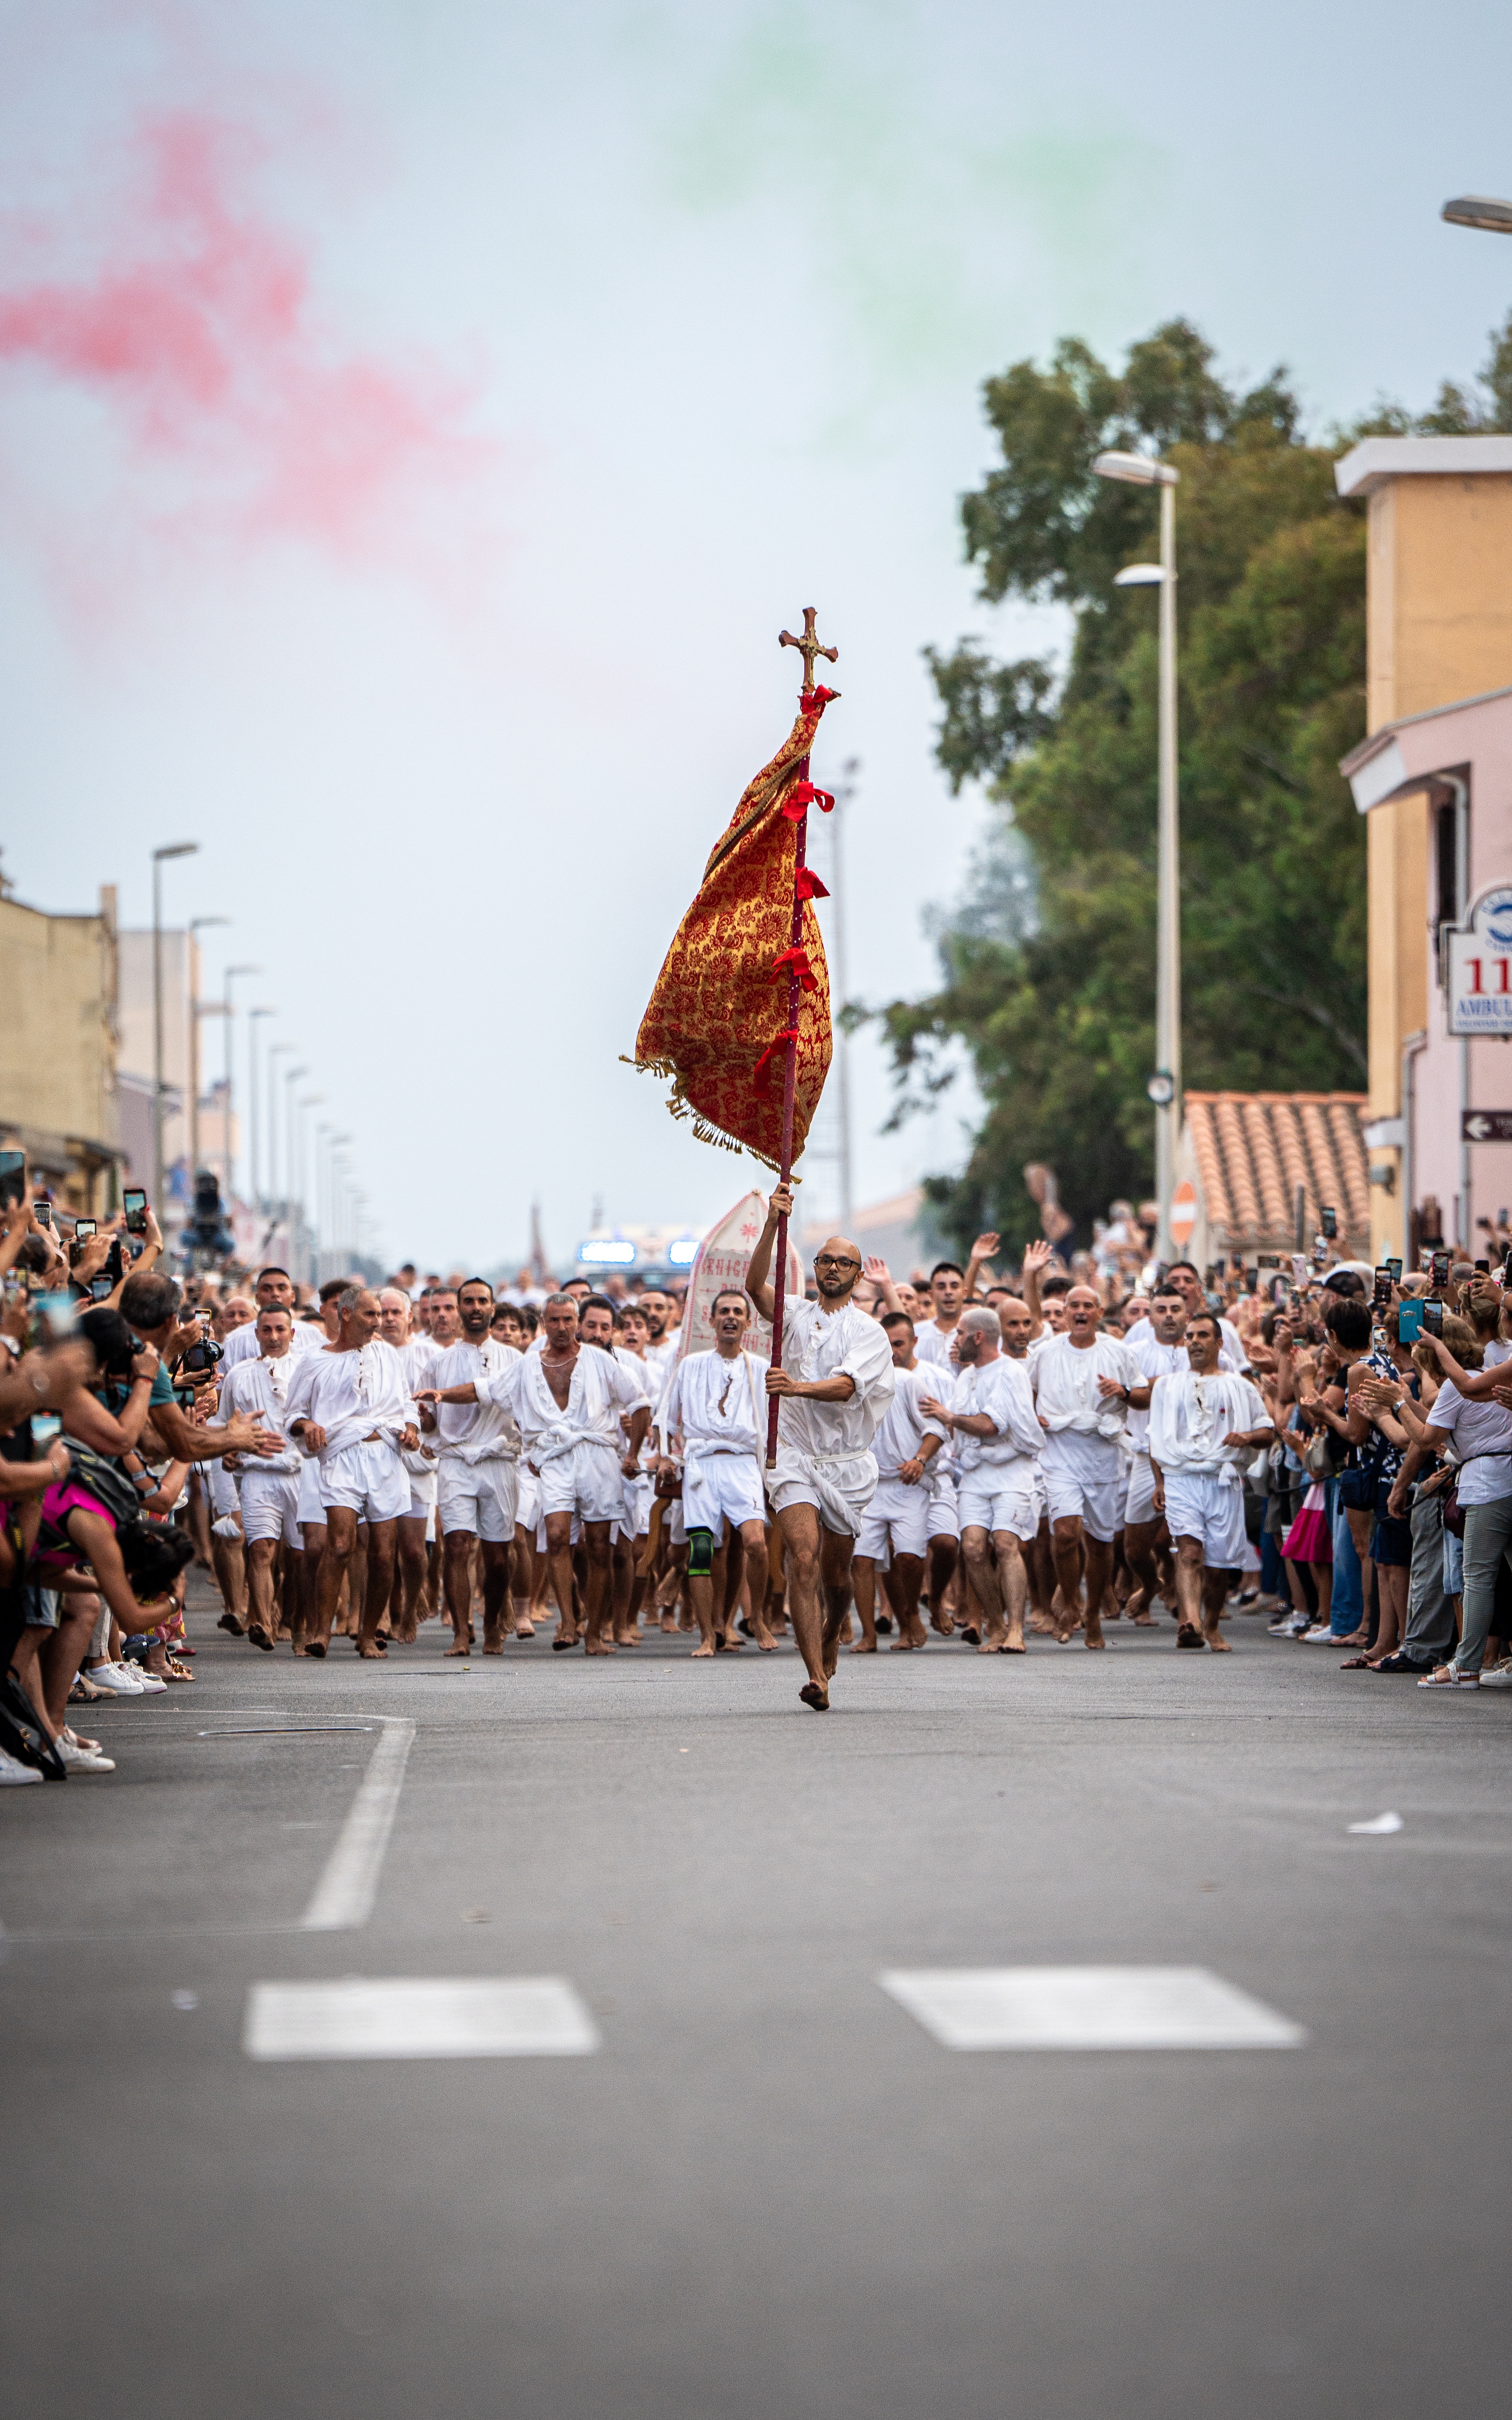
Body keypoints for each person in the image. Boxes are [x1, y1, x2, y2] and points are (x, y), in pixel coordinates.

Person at [420, 1292, 650, 1656]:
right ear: (544, 1323)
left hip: (597, 1457)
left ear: (577, 1322)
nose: (561, 1327)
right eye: (554, 1321)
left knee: (598, 1547)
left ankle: (593, 1634)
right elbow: (485, 1391)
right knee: (557, 1537)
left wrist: (633, 1453)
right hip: (554, 1458)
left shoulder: (600, 1361)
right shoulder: (528, 1365)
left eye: (568, 1320)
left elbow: (640, 1403)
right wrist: (441, 1394)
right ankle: (570, 1623)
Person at [745, 1184, 895, 1713]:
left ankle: (835, 1627)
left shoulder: (869, 1332)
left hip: (847, 1466)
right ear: (814, 1267)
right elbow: (754, 1287)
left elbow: (845, 1388)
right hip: (792, 1456)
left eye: (843, 1262)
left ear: (857, 1276)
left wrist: (795, 1387)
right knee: (802, 1560)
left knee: (836, 1577)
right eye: (825, 1260)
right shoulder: (793, 1312)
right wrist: (771, 1222)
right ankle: (815, 1676)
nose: (833, 1268)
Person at [284, 1286, 418, 1660]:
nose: (380, 1322)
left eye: (381, 1315)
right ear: (346, 1315)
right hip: (341, 1457)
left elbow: (406, 1402)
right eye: (371, 1315)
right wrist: (308, 1425)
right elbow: (292, 1414)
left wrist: (412, 1430)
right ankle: (320, 1632)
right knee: (340, 1545)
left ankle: (367, 1634)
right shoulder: (314, 1361)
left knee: (382, 1553)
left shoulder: (388, 1356)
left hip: (385, 1458)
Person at [1147, 1312, 1275, 1652]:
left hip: (1223, 1480)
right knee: (1188, 1552)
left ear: (1219, 1343)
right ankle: (1190, 1622)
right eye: (1190, 1336)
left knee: (1218, 1567)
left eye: (1203, 1335)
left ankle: (1213, 1623)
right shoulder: (1166, 1386)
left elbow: (1267, 1432)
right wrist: (1159, 1483)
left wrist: (1246, 1436)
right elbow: (1155, 1439)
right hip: (1181, 1479)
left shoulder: (1240, 1387)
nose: (1195, 1341)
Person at [923, 1302, 1045, 1654]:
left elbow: (992, 1425)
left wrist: (951, 1416)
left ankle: (1017, 1631)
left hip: (1012, 1471)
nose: (956, 1339)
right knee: (974, 1548)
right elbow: (960, 1425)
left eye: (961, 1333)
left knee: (1006, 1544)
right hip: (976, 1474)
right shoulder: (967, 1375)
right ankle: (996, 1625)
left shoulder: (1010, 1372)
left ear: (978, 1336)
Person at [658, 1288, 770, 1657]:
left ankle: (756, 1619)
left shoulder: (761, 1367)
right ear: (711, 1320)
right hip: (702, 1466)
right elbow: (665, 1418)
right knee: (703, 1551)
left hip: (742, 1464)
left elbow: (773, 1422)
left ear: (748, 1322)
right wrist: (664, 1456)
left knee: (755, 1542)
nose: (731, 1317)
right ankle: (709, 1634)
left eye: (739, 1312)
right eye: (724, 1311)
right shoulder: (690, 1364)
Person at [1030, 1284, 1142, 1649]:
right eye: (1073, 1306)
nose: (1080, 1312)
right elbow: (1026, 1392)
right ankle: (1071, 1603)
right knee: (1064, 1534)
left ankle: (1093, 1611)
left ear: (1098, 1313)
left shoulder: (1119, 1351)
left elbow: (1143, 1395)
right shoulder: (1045, 1353)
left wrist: (1122, 1392)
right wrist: (1035, 1420)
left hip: (1102, 1454)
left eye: (1087, 1306)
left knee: (1099, 1542)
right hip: (1060, 1452)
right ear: (1064, 1313)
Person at [430, 1278, 521, 1657]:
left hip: (498, 1461)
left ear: (493, 1307)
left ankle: (492, 1624)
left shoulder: (516, 1360)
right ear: (457, 1308)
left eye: (482, 1301)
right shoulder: (440, 1361)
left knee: (498, 1558)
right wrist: (421, 1420)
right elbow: (429, 1418)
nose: (475, 1307)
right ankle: (461, 1633)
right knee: (455, 1546)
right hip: (456, 1461)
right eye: (467, 1301)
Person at [208, 1303, 305, 1652]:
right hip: (257, 1475)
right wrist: (228, 1448)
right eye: (267, 1330)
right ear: (257, 1334)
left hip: (301, 1475)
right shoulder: (238, 1374)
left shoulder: (308, 1369)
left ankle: (292, 1619)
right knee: (261, 1548)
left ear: (292, 1333)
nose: (274, 1337)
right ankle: (262, 1621)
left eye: (281, 1329)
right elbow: (223, 1423)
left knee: (299, 1557)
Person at [853, 1312, 946, 1652]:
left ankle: (910, 1615)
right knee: (861, 1559)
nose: (891, 1351)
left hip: (908, 1485)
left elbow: (937, 1429)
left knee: (908, 1558)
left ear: (911, 1344)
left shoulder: (909, 1382)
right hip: (870, 1487)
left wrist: (919, 1460)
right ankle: (869, 1633)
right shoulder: (856, 1384)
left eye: (898, 1343)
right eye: (885, 1343)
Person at [1123, 1285, 1191, 1625]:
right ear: (1150, 1317)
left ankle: (1189, 1619)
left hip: (1192, 1460)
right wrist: (1165, 1383)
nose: (1168, 1315)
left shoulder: (1204, 1349)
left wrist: (1151, 1385)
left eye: (1175, 1309)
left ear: (1187, 1314)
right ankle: (1151, 1584)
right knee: (1135, 1549)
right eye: (1161, 1309)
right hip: (1143, 1457)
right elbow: (1128, 1394)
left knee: (1184, 1541)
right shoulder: (1133, 1351)